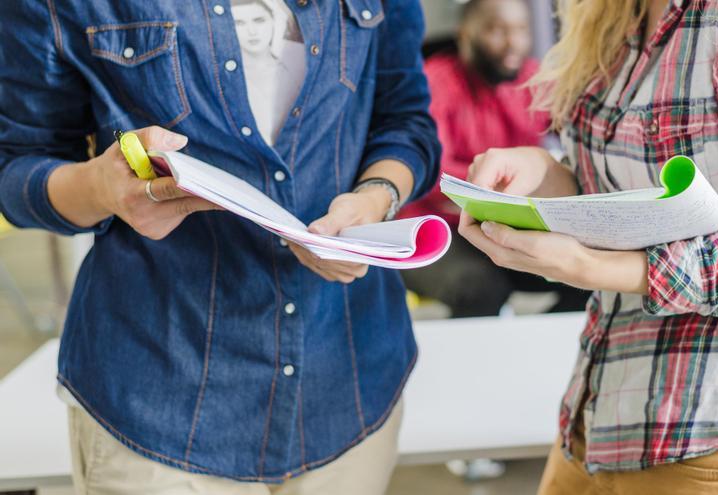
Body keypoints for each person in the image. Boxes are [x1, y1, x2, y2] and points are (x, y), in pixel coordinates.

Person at [0, 0, 440, 494]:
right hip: (159, 397)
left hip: (346, 376)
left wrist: (376, 196)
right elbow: (18, 167)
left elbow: (405, 120)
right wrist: (102, 190)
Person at [457, 0, 718, 493]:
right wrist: (542, 173)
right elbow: (613, 189)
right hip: (605, 416)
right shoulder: (618, 20)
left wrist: (598, 267)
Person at [400, 0, 587, 317]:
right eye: (497, 30)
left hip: (499, 226)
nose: (513, 42)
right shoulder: (435, 82)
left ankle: (532, 351)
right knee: (480, 288)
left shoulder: (531, 79)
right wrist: (503, 184)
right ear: (465, 34)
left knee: (584, 277)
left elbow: (577, 128)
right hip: (433, 228)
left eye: (521, 29)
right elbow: (430, 175)